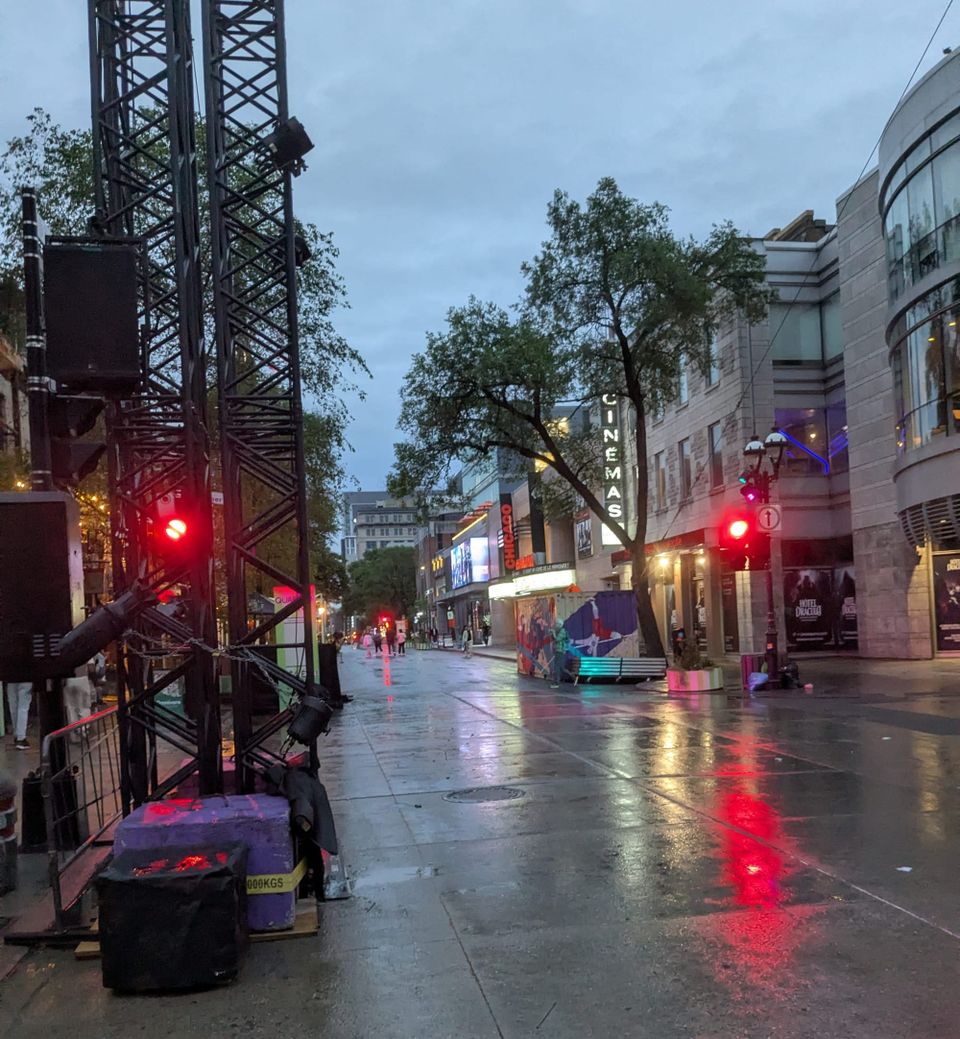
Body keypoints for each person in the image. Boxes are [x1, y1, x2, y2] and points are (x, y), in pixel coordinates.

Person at [5, 680, 33, 749]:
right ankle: (21, 738)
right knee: (23, 707)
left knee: (13, 706)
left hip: (10, 677)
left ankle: (16, 735)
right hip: (26, 676)